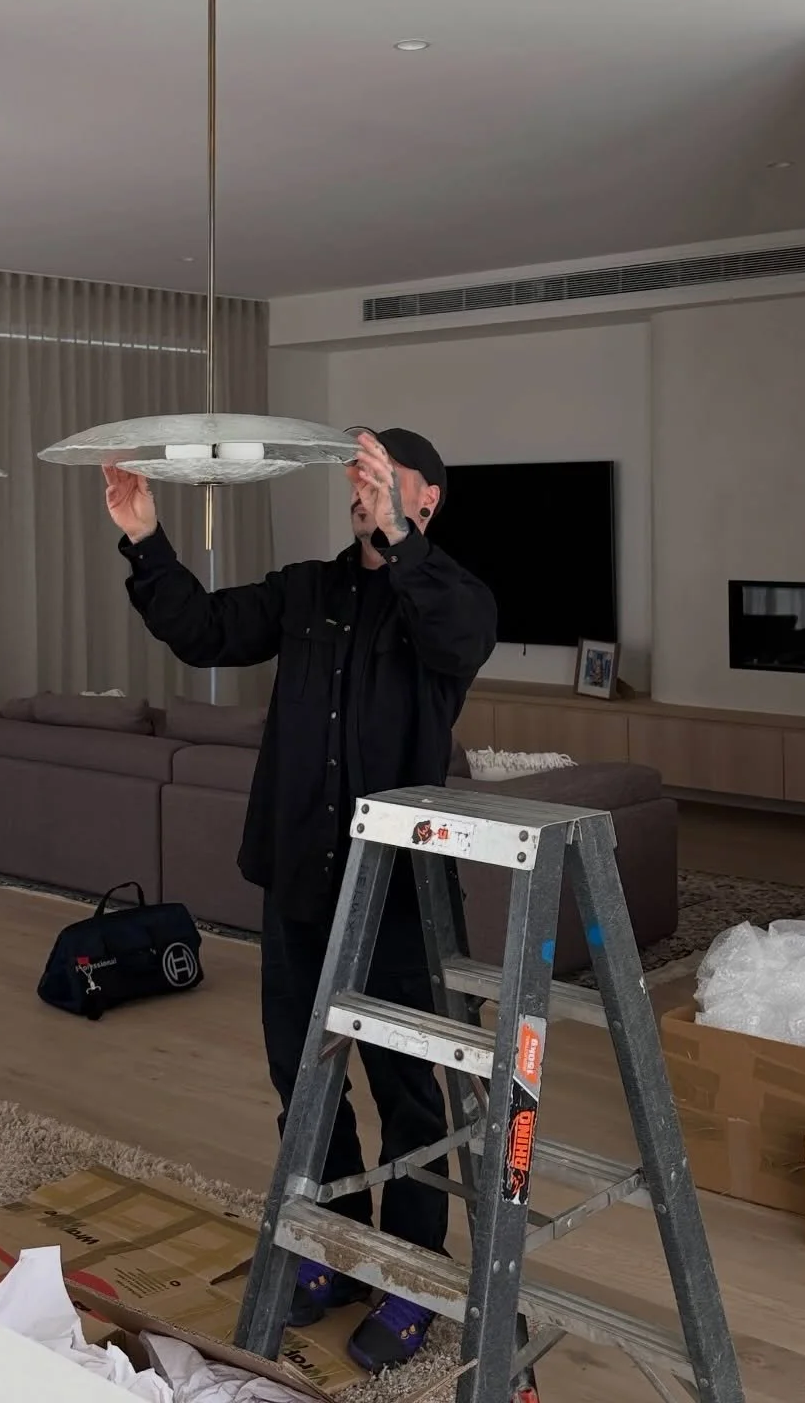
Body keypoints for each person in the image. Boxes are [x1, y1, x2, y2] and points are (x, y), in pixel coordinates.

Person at [105, 428, 497, 1373]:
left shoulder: (452, 600)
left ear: (426, 498)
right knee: (303, 1079)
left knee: (409, 1092)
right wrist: (146, 538)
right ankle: (329, 1246)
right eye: (355, 478)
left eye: (379, 478)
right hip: (299, 884)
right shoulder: (307, 590)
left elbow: (457, 633)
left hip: (402, 896)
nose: (359, 490)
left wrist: (403, 544)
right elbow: (204, 628)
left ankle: (408, 1272)